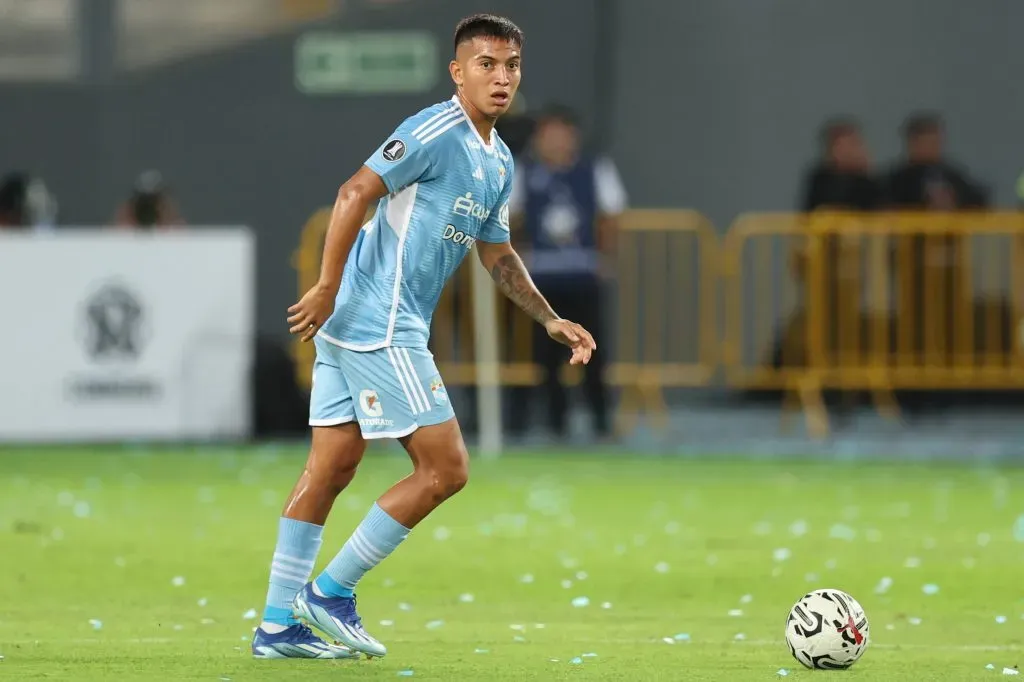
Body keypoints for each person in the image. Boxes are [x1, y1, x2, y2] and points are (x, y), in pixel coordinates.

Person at [251, 14, 596, 660]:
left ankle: (276, 626)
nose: (501, 78)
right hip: (379, 321)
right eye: (486, 64)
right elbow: (355, 191)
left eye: (511, 66)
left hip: (360, 322)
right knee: (446, 467)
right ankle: (329, 593)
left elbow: (496, 254)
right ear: (457, 71)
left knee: (331, 468)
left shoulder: (497, 160)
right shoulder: (435, 131)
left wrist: (548, 317)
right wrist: (325, 285)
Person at [507, 105, 626, 440]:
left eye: (562, 134)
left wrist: (605, 257)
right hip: (541, 280)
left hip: (582, 274)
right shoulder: (524, 171)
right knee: (545, 356)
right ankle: (554, 422)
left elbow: (611, 215)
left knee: (592, 351)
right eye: (549, 134)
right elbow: (511, 217)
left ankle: (601, 420)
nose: (556, 142)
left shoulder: (594, 169)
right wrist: (519, 257)